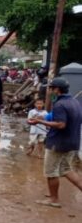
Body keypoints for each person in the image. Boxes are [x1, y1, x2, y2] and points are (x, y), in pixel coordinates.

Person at [27, 77, 82, 208]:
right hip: (72, 142)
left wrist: (38, 121)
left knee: (51, 171)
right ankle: (53, 195)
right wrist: (45, 117)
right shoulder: (74, 102)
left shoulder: (59, 104)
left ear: (57, 89)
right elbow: (64, 118)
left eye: (51, 88)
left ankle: (54, 199)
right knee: (66, 169)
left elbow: (61, 124)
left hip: (58, 143)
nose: (50, 90)